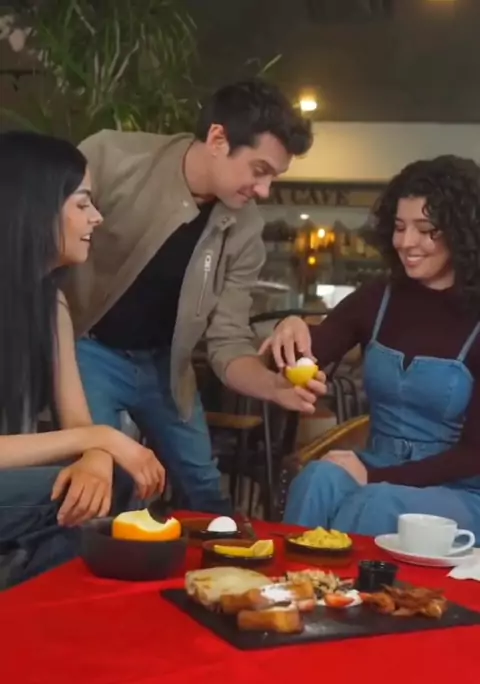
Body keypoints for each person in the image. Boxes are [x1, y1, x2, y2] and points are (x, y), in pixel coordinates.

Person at [65, 79, 327, 515]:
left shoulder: (245, 229)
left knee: (206, 489)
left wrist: (273, 386)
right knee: (101, 480)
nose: (264, 190)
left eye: (273, 177)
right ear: (218, 139)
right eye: (259, 170)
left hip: (168, 366)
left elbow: (228, 343)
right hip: (88, 350)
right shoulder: (111, 157)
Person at [261, 155, 480, 539]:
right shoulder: (378, 297)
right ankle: (288, 577)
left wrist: (376, 476)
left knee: (374, 504)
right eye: (399, 227)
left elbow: (474, 455)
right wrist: (290, 330)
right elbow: (300, 360)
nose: (406, 242)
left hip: (459, 488)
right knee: (316, 479)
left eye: (425, 230)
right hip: (376, 463)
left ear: (462, 233)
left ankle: (332, 580)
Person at [0, 131, 165, 588]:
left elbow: (76, 419)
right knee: (83, 500)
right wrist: (102, 439)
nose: (97, 217)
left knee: (109, 485)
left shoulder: (50, 304)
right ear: (36, 206)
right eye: (83, 203)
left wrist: (95, 455)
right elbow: (87, 430)